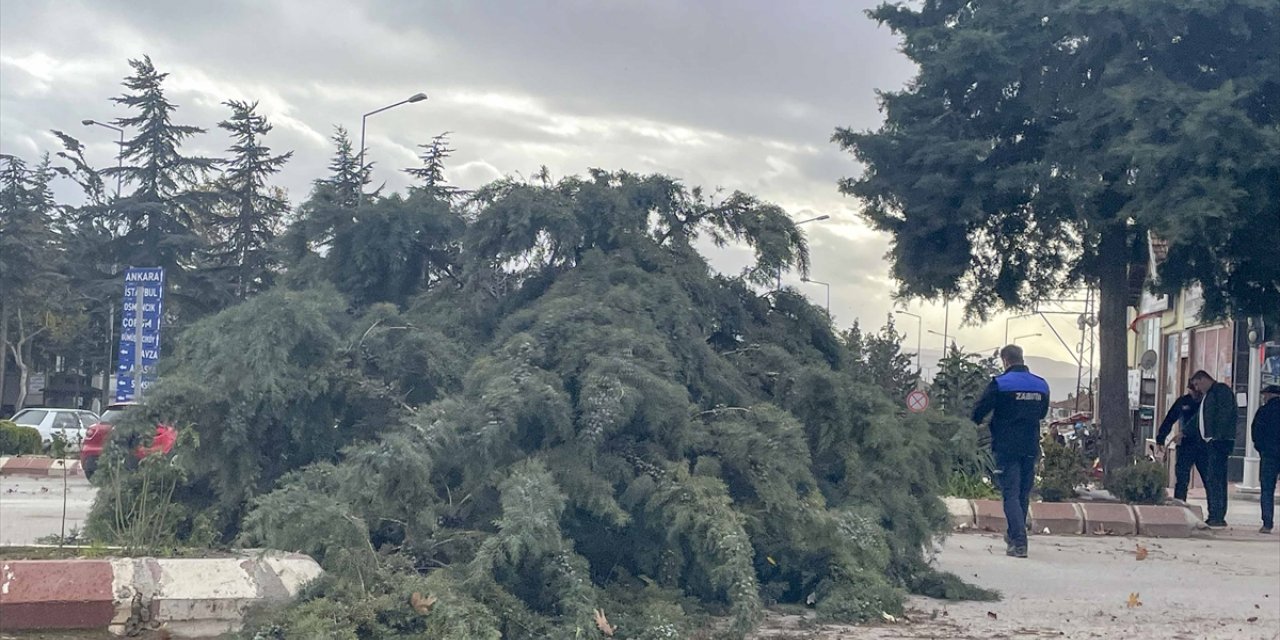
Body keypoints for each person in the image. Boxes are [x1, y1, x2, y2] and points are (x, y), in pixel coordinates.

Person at [972, 344, 1050, 558]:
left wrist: (976, 423)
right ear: (1021, 358)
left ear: (1005, 361)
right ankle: (1014, 533)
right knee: (1023, 493)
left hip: (1006, 447)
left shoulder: (1000, 384)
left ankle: (1018, 541)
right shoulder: (1041, 385)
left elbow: (979, 412)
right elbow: (1042, 414)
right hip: (1030, 446)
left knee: (1010, 494)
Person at [1189, 370, 1237, 527]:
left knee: (1215, 478)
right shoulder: (1208, 395)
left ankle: (1217, 514)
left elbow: (1225, 414)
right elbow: (1200, 418)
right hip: (1210, 443)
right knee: (1213, 478)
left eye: (1197, 384)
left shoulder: (1220, 391)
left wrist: (1217, 436)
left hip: (1219, 442)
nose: (1196, 388)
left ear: (1204, 379)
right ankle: (1215, 513)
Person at [1155, 383, 1207, 502]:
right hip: (1185, 444)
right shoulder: (1183, 401)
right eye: (1191, 391)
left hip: (1203, 445)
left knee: (1208, 480)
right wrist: (1160, 439)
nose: (1193, 394)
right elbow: (1170, 419)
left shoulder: (1206, 403)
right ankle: (1179, 506)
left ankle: (1214, 515)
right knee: (1182, 480)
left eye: (1195, 392)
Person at [1252, 384, 1280, 534]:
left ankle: (1267, 524)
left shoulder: (1263, 411)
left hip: (1269, 455)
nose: (1263, 397)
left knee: (1267, 489)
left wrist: (1261, 449)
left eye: (1265, 394)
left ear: (1269, 395)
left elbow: (1255, 432)